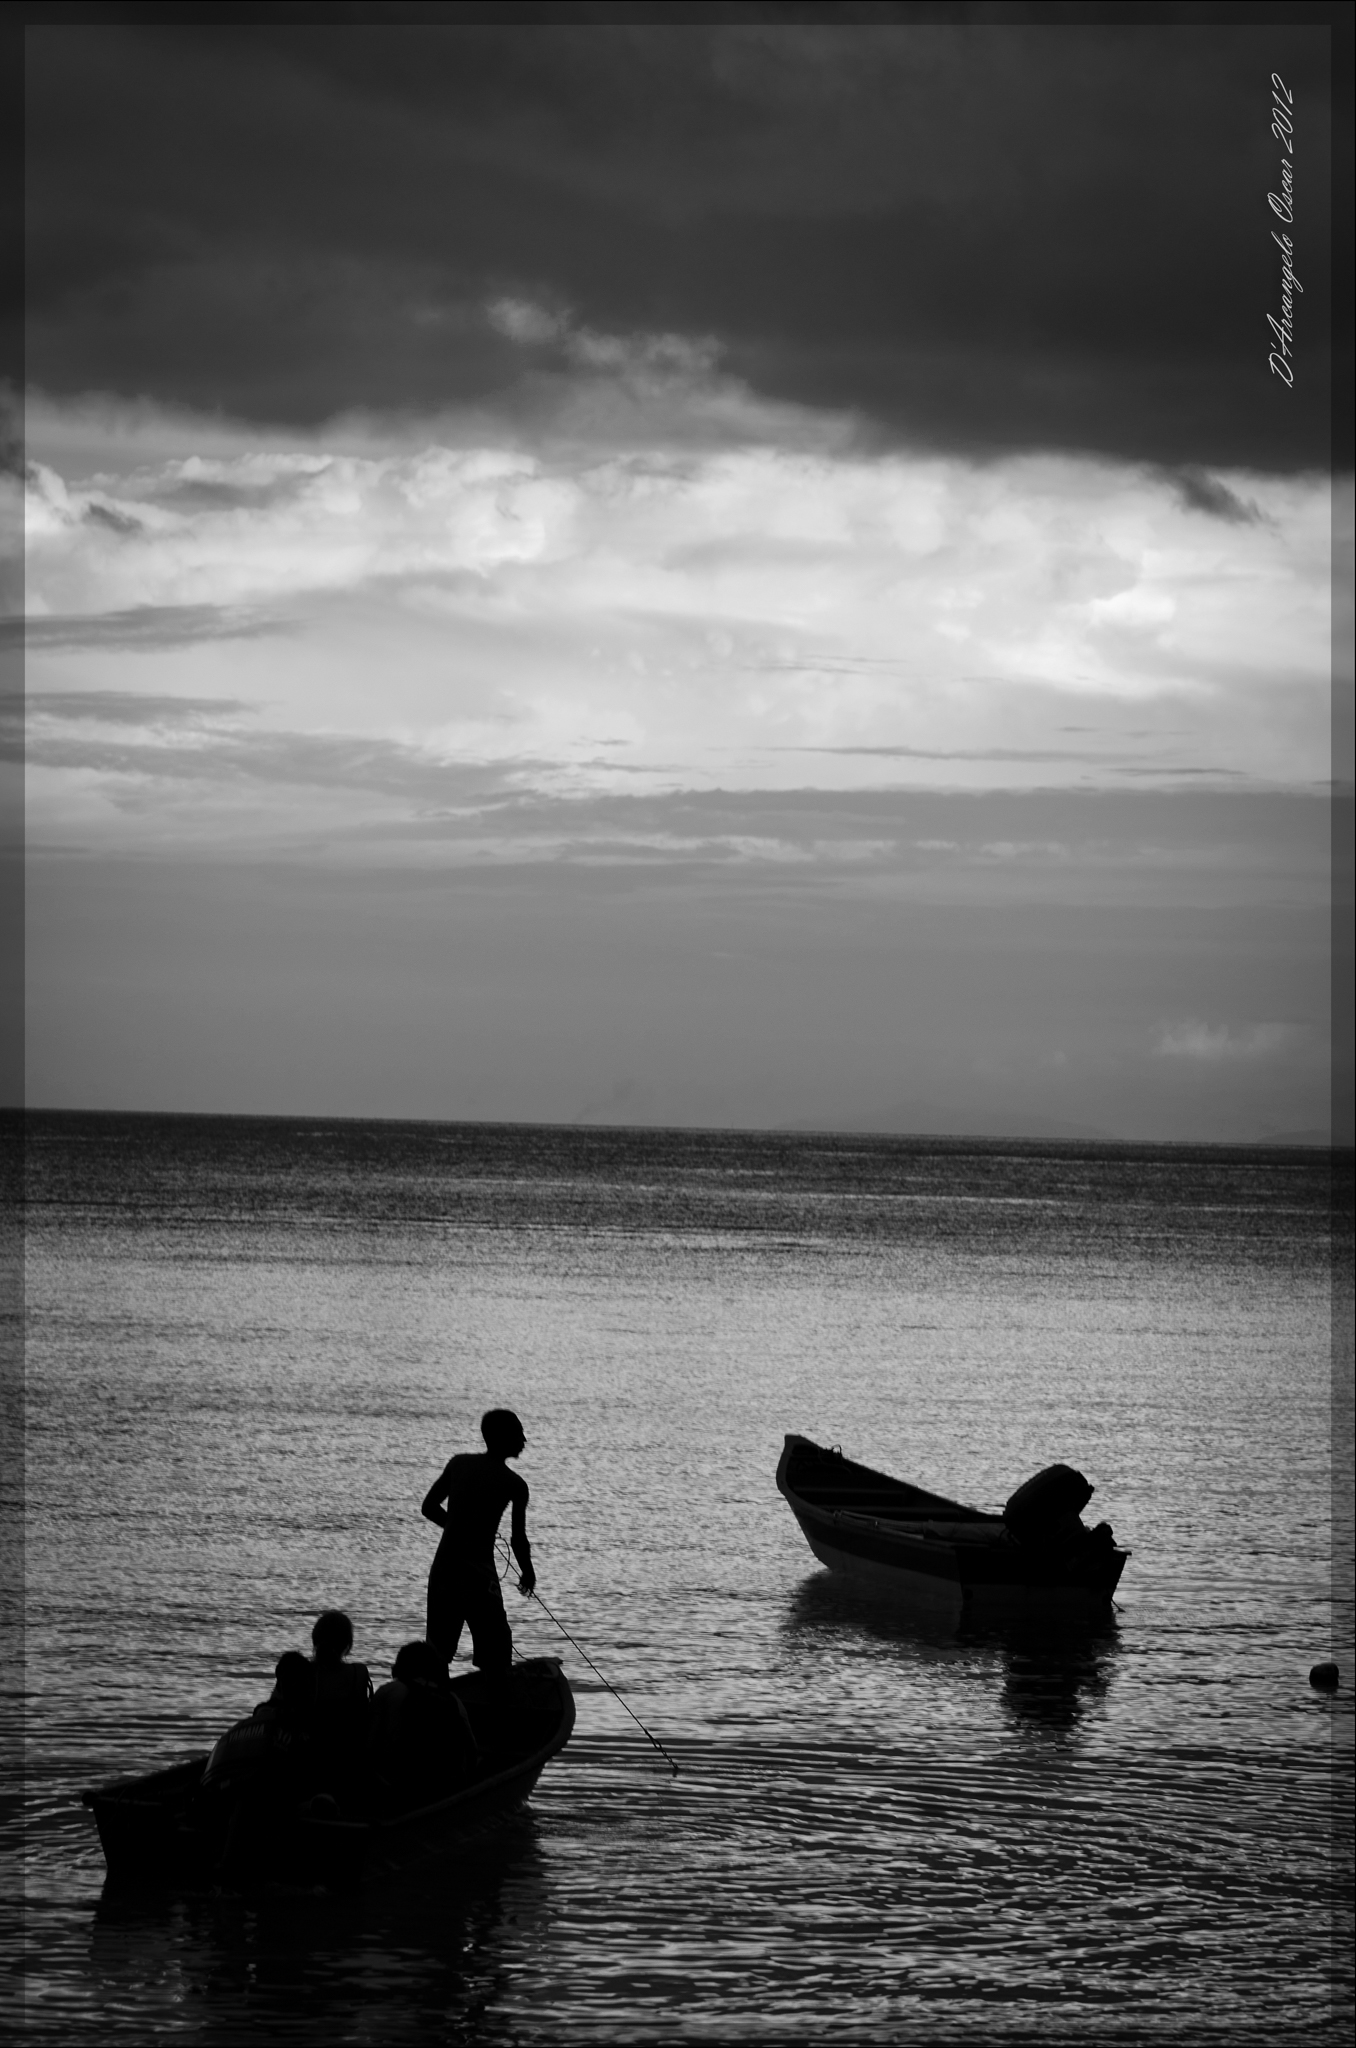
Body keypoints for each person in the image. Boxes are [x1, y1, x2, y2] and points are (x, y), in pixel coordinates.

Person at [421, 1408, 535, 1673]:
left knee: (438, 1650)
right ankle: (494, 1702)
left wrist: (456, 1527)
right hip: (479, 1575)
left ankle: (433, 1697)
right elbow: (518, 1539)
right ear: (502, 1437)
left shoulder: (459, 1463)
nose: (524, 1439)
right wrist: (527, 1571)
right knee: (496, 1649)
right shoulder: (515, 1484)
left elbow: (429, 1507)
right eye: (519, 1433)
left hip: (444, 1569)